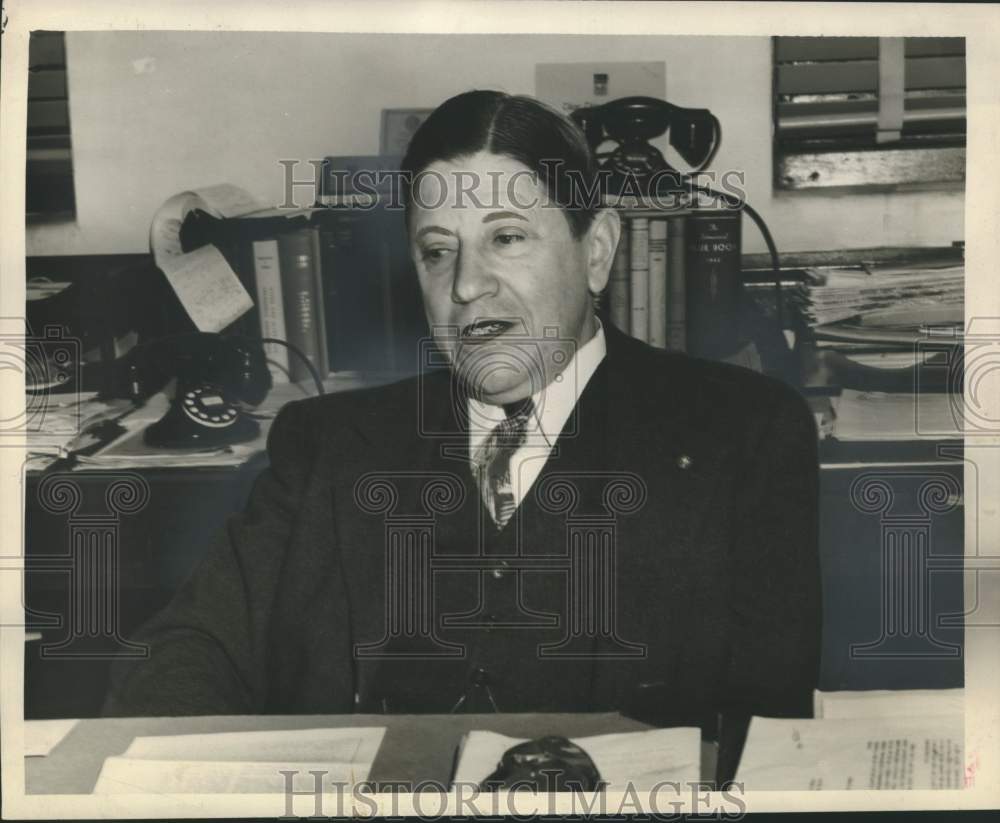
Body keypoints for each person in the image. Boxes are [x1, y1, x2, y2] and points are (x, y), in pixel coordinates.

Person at [104, 91, 820, 732]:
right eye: (437, 251)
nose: (468, 284)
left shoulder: (740, 434)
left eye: (507, 238)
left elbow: (768, 730)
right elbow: (187, 651)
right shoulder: (328, 445)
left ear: (596, 250)